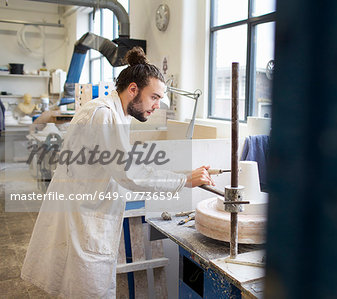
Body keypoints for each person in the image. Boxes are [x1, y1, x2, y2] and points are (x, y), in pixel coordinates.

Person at [21, 47, 215, 297]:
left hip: (88, 215)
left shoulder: (116, 113)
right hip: (84, 220)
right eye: (154, 97)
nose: (157, 106)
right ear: (133, 89)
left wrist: (180, 174)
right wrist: (183, 180)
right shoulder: (102, 115)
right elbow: (129, 172)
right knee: (89, 291)